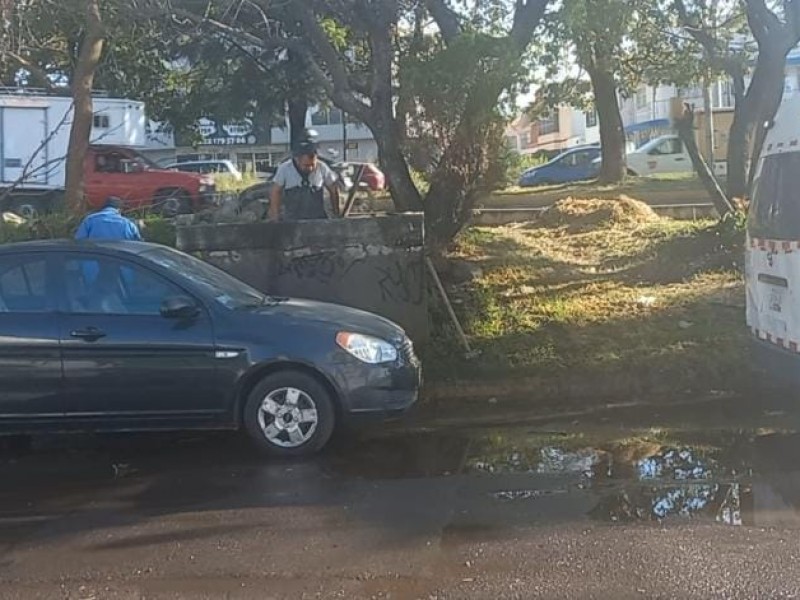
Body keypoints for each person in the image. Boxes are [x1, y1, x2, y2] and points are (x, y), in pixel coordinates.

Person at [269, 133, 340, 221]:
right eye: (306, 165)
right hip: (292, 222)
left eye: (312, 165)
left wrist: (336, 213)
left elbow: (333, 189)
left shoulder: (322, 167)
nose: (310, 168)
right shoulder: (285, 169)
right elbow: (276, 192)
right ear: (297, 159)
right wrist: (275, 216)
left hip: (317, 221)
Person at [75, 197, 142, 241]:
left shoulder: (90, 220)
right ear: (119, 210)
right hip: (120, 260)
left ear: (104, 207)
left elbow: (79, 240)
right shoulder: (128, 224)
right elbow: (137, 244)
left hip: (93, 259)